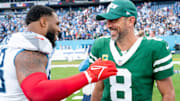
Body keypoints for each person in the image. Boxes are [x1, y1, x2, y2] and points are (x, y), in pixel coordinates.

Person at [0, 5, 118, 101]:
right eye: (56, 24)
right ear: (43, 22)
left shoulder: (14, 42)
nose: (59, 29)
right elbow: (37, 92)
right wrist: (89, 75)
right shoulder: (31, 48)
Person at [90, 0, 175, 101]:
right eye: (107, 20)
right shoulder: (101, 46)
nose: (108, 25)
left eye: (114, 20)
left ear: (131, 21)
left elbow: (168, 93)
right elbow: (99, 88)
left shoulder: (154, 48)